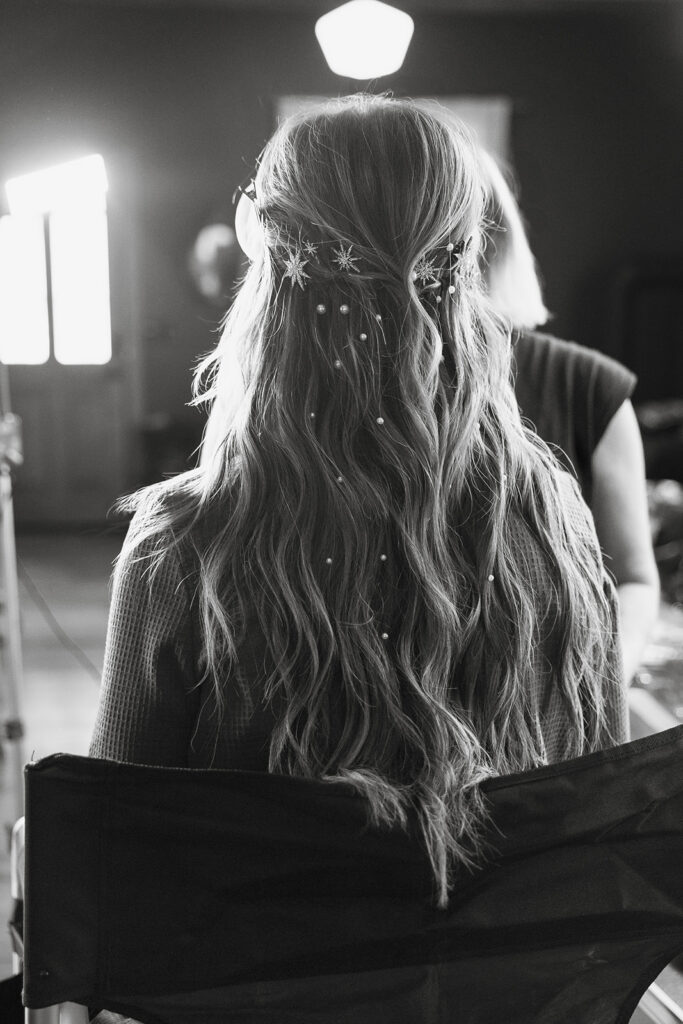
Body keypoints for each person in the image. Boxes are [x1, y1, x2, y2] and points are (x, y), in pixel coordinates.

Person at [90, 95, 627, 911]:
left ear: (269, 282)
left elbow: (113, 847)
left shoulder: (186, 542)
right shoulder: (555, 519)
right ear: (464, 269)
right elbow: (601, 814)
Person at [480, 150, 660, 683]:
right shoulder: (348, 385)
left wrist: (597, 697)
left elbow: (633, 578)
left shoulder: (588, 388)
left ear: (492, 241)